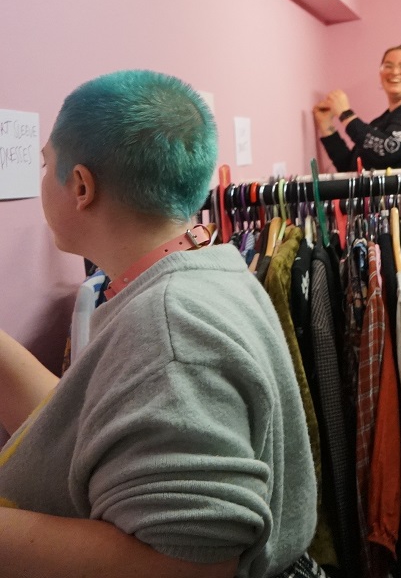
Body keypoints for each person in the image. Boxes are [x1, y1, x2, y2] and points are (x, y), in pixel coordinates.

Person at [0, 70, 316, 578]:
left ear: (80, 186)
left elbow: (187, 565)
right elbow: (91, 425)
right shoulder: (209, 265)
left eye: (46, 165)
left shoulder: (171, 329)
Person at [316, 41, 401, 171]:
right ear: (380, 75)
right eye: (388, 66)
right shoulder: (379, 124)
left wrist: (346, 114)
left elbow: (387, 150)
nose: (395, 71)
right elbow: (351, 169)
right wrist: (326, 126)